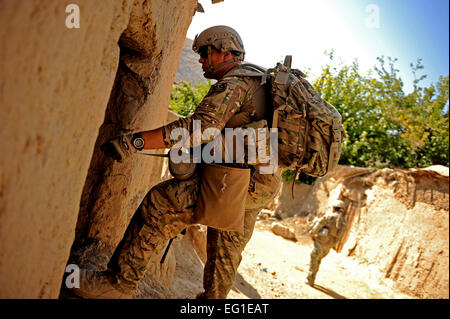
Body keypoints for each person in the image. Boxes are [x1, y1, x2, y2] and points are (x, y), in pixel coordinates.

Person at [72, 25, 281, 299]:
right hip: (262, 181)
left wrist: (134, 142)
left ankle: (118, 285)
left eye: (205, 53)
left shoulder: (234, 83)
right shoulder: (257, 79)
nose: (201, 60)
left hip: (243, 181)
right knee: (226, 245)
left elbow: (200, 128)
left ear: (223, 51)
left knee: (161, 204)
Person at [306, 199, 347, 286]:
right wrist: (333, 243)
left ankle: (310, 280)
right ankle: (312, 277)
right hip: (329, 244)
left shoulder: (329, 217)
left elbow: (318, 225)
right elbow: (340, 236)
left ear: (334, 208)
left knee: (314, 258)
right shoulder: (343, 222)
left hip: (320, 241)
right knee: (318, 259)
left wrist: (312, 234)